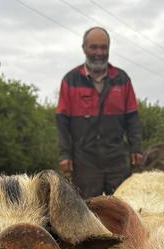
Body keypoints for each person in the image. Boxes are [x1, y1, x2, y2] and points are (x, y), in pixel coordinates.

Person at [56, 27, 143, 197]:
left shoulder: (122, 79)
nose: (99, 52)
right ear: (84, 48)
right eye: (93, 47)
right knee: (88, 211)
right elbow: (62, 122)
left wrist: (137, 148)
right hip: (84, 162)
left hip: (117, 160)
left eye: (103, 48)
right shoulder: (70, 80)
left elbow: (132, 118)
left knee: (121, 209)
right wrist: (65, 155)